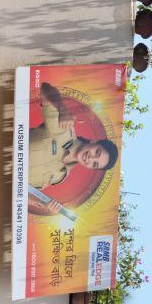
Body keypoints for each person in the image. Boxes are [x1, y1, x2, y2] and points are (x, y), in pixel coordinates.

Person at [28, 82, 118, 216]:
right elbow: (45, 89)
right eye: (97, 152)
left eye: (95, 164)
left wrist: (43, 203)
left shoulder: (60, 176)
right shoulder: (65, 130)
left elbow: (24, 190)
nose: (91, 158)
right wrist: (62, 108)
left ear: (91, 168)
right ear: (94, 142)